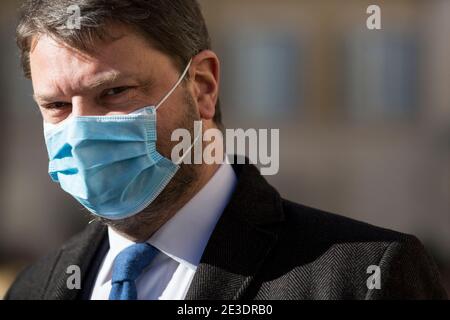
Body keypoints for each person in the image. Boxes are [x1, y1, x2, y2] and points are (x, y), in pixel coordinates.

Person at [5, 0, 447, 300]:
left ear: (202, 87)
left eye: (116, 92)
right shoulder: (34, 286)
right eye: (57, 106)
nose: (82, 130)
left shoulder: (364, 277)